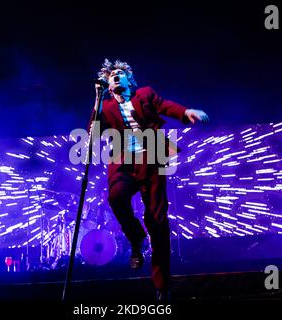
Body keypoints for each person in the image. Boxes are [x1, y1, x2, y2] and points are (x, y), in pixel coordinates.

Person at [89, 59, 209, 302]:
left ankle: (162, 286)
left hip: (152, 156)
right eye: (112, 75)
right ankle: (136, 238)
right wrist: (98, 100)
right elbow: (93, 132)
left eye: (120, 73)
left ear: (129, 80)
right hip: (122, 161)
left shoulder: (144, 94)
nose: (116, 76)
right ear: (109, 85)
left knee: (157, 220)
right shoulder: (107, 106)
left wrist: (185, 112)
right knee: (116, 196)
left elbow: (164, 106)